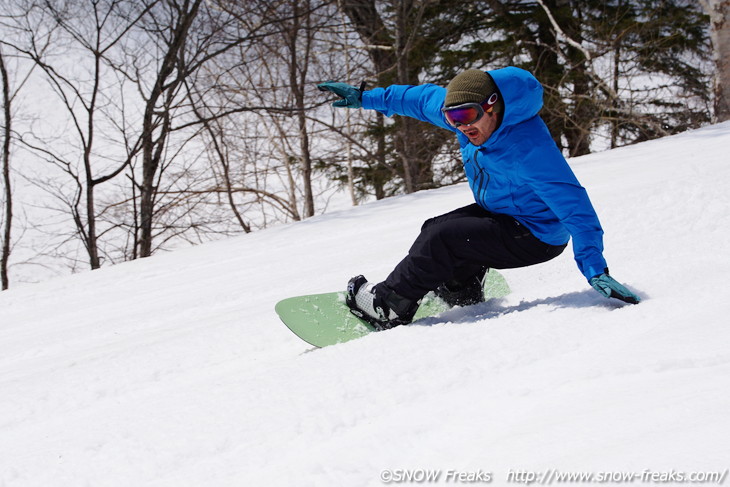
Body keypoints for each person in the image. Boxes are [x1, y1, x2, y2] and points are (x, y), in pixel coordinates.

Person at [317, 67, 640, 330]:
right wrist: (364, 97)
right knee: (440, 226)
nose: (462, 126)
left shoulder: (529, 151)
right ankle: (462, 289)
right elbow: (419, 98)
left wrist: (595, 268)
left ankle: (388, 306)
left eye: (468, 115)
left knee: (442, 237)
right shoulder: (463, 116)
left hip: (536, 237)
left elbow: (575, 208)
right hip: (505, 215)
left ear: (493, 105)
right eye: (453, 118)